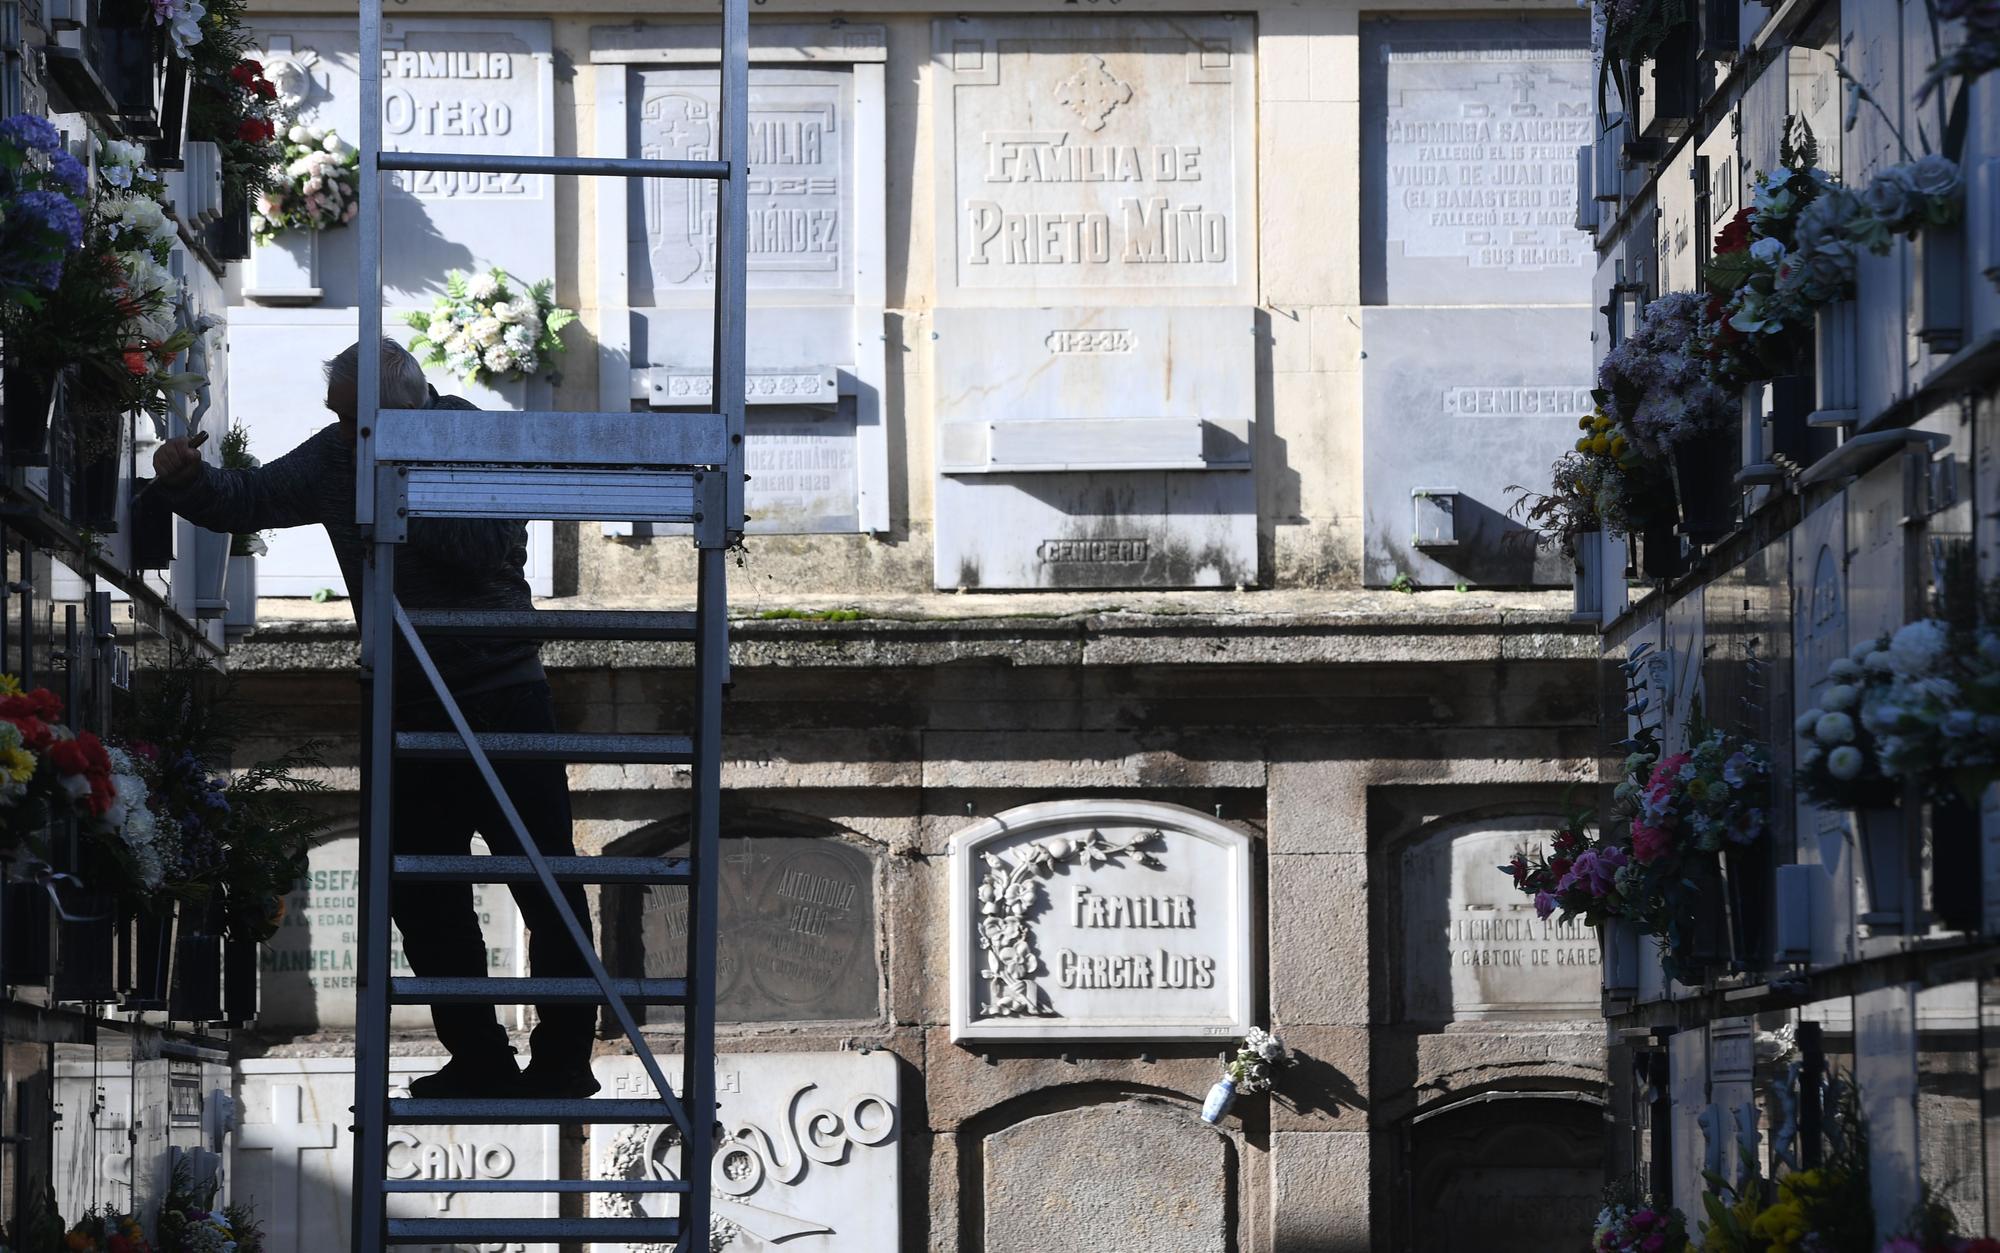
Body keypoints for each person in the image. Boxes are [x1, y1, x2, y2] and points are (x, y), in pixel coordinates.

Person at [152, 338, 599, 1099]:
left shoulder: (471, 436)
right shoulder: (341, 452)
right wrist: (185, 480)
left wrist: (389, 491)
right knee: (423, 893)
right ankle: (481, 1056)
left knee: (543, 879)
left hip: (502, 694)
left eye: (356, 420)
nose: (341, 430)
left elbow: (487, 546)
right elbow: (251, 498)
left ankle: (563, 1056)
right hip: (411, 701)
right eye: (339, 418)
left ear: (404, 408)